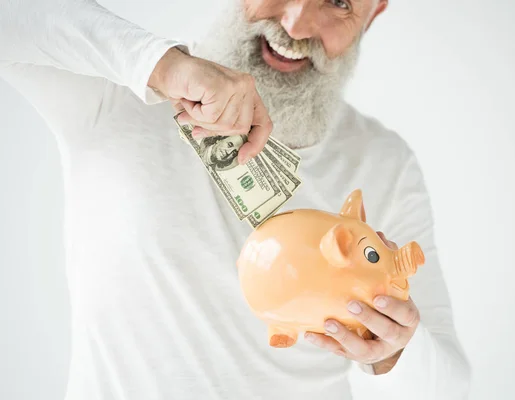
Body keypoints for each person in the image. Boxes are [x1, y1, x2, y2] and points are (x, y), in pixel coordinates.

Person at [0, 0, 471, 399]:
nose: (294, 24)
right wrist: (162, 65)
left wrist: (395, 351)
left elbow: (451, 383)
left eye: (338, 0)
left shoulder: (383, 162)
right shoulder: (118, 88)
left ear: (374, 13)